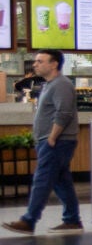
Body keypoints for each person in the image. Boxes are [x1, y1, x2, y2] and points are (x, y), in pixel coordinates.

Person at [3, 49, 83, 234]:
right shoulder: (50, 84)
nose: (35, 64)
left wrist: (52, 137)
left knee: (42, 179)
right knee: (61, 182)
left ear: (54, 64)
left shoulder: (61, 84)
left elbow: (64, 113)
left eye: (40, 61)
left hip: (57, 142)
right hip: (50, 141)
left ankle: (29, 220)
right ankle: (72, 220)